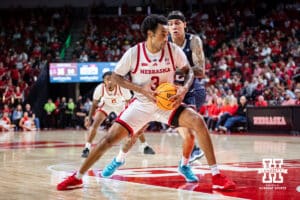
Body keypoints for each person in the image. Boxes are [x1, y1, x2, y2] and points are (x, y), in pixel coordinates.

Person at [57, 14, 235, 191]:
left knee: (198, 122)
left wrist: (183, 89)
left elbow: (189, 72)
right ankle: (78, 176)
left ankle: (216, 175)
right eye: (163, 33)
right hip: (141, 105)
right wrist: (141, 90)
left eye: (167, 33)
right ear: (150, 34)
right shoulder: (134, 53)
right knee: (108, 139)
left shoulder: (173, 50)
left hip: (166, 104)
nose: (167, 37)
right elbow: (116, 77)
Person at [81, 71, 155, 158]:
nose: (109, 82)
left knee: (135, 124)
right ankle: (87, 148)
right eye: (107, 80)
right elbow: (94, 104)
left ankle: (144, 146)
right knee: (95, 123)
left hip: (120, 106)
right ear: (103, 81)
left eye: (111, 80)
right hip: (106, 105)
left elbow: (129, 102)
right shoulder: (99, 89)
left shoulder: (122, 88)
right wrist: (89, 118)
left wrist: (132, 116)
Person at [167, 10, 207, 163]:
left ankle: (195, 149)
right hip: (173, 89)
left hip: (193, 88)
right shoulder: (165, 44)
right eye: (170, 24)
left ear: (184, 25)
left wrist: (178, 70)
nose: (174, 27)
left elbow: (201, 70)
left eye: (177, 23)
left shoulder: (193, 41)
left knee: (181, 118)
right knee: (176, 121)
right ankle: (194, 150)